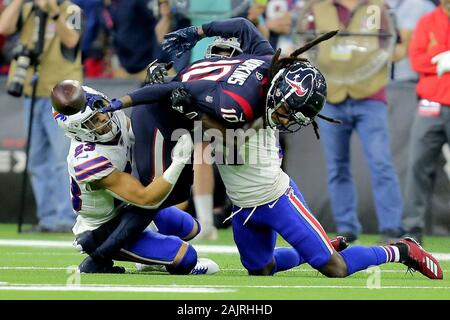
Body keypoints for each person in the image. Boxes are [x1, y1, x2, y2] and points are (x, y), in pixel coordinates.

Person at [102, 18, 443, 279]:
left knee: (334, 268)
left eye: (228, 59)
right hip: (242, 205)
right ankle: (325, 244)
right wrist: (166, 90)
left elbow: (225, 127)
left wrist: (174, 98)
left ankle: (400, 250)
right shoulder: (238, 90)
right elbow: (199, 122)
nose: (222, 63)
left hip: (276, 198)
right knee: (260, 269)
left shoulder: (246, 103)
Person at [50, 80, 219, 274]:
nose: (103, 119)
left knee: (190, 227)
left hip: (129, 208)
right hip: (106, 226)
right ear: (77, 130)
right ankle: (108, 251)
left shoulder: (113, 117)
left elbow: (140, 134)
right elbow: (146, 198)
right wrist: (179, 161)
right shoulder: (86, 160)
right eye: (93, 121)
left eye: (100, 110)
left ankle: (148, 256)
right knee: (186, 258)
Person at [305, 0, 404, 244]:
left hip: (370, 95)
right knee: (337, 167)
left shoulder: (379, 8)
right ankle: (347, 228)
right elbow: (304, 46)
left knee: (381, 163)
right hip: (332, 97)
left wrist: (375, 58)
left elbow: (399, 48)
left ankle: (392, 228)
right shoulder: (316, 9)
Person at [0, 0, 84, 232]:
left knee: (61, 159)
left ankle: (66, 218)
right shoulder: (28, 10)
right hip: (30, 90)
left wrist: (54, 12)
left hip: (61, 95)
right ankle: (47, 219)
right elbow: (3, 28)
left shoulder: (72, 11)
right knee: (37, 161)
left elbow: (72, 41)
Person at [403, 0, 450, 243]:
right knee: (417, 167)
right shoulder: (427, 21)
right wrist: (442, 58)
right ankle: (412, 231)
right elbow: (416, 60)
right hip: (430, 104)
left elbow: (424, 60)